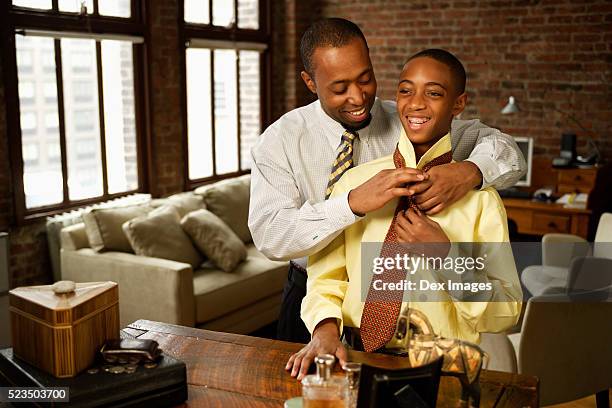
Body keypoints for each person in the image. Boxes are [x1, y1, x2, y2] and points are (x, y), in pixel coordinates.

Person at [248, 18, 525, 344]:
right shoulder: (280, 141)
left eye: (366, 79)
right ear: (310, 82)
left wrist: (470, 171)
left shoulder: (412, 116)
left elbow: (507, 150)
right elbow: (271, 236)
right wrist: (350, 204)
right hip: (314, 301)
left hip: (435, 342)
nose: (357, 97)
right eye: (340, 88)